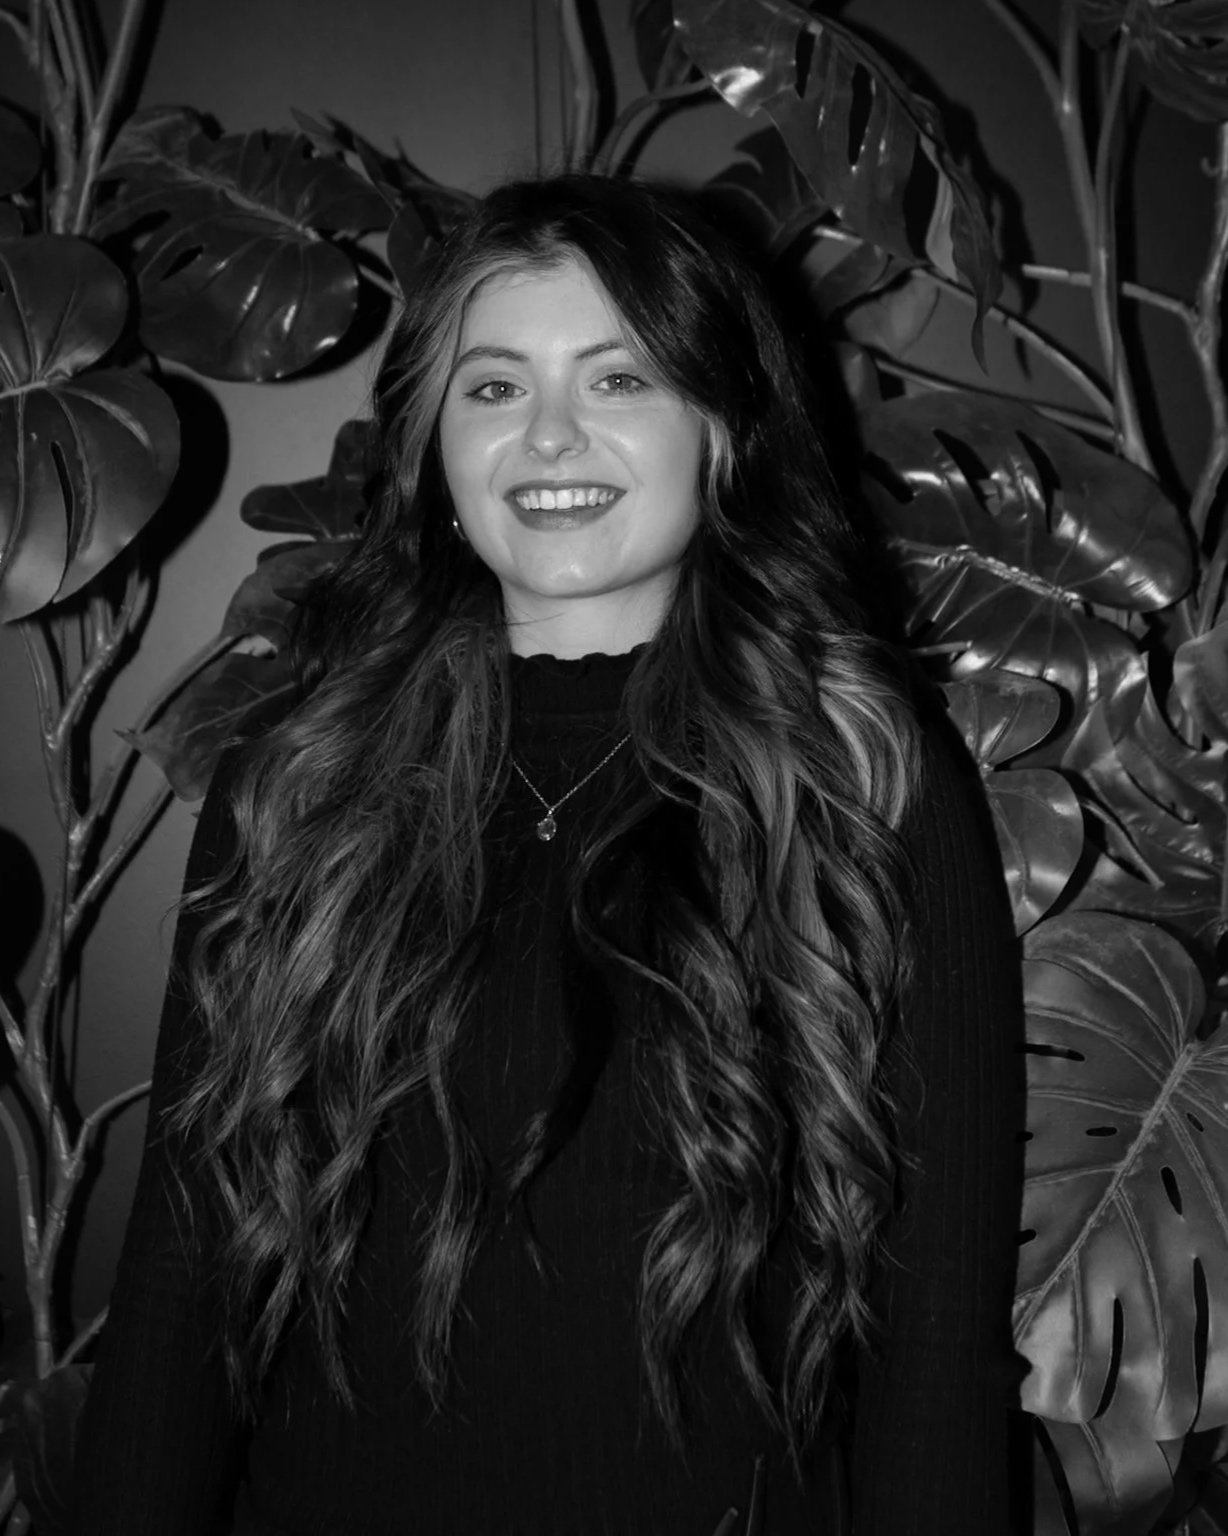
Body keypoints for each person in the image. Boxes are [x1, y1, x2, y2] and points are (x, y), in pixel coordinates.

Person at [72, 173, 1022, 1536]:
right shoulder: (298, 779)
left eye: (621, 379)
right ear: (435, 448)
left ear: (722, 424)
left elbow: (935, 1332)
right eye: (496, 387)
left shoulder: (862, 780)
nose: (551, 436)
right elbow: (182, 1274)